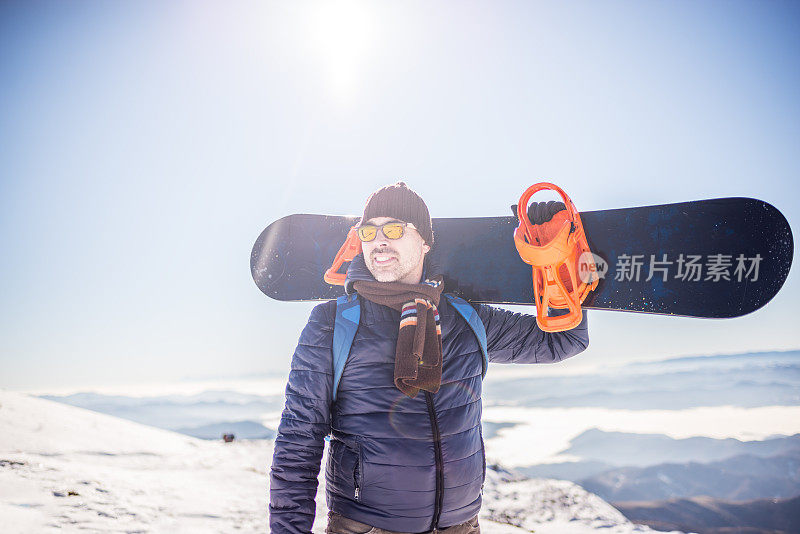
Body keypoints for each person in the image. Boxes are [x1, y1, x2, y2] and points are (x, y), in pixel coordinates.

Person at [269, 182, 589, 534]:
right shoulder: (332, 323)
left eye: (394, 228)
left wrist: (555, 263)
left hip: (461, 526)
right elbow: (298, 439)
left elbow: (563, 340)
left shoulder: (466, 319)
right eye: (368, 231)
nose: (379, 240)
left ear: (424, 241)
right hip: (366, 528)